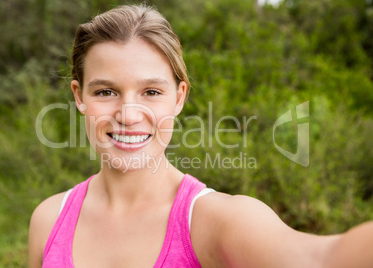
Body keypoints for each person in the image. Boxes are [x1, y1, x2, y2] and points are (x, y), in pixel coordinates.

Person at [29, 4, 373, 268]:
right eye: (105, 92)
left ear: (179, 96)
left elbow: (322, 258)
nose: (129, 115)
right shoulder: (48, 220)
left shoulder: (216, 221)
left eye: (151, 92)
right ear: (78, 96)